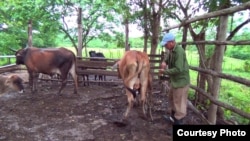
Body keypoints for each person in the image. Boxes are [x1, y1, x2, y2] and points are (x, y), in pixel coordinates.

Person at [159, 32, 190, 135]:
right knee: (172, 99)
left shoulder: (179, 52)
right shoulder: (171, 50)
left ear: (171, 42)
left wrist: (165, 72)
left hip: (181, 81)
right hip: (175, 80)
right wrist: (164, 62)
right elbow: (167, 58)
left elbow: (178, 69)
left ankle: (178, 126)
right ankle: (172, 119)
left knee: (180, 104)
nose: (165, 46)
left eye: (166, 44)